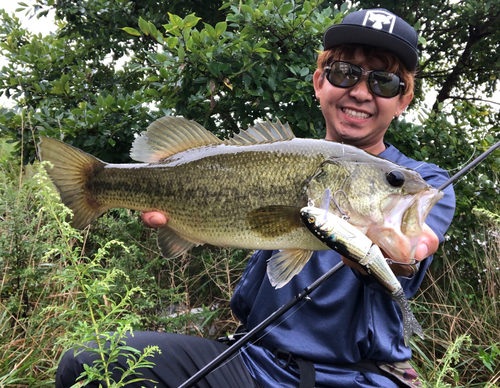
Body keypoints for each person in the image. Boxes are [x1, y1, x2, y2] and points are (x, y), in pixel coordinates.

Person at [56, 8, 456, 388]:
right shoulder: (286, 155)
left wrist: (401, 257)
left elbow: (410, 254)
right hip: (252, 362)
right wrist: (196, 224)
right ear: (320, 82)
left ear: (404, 99)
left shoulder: (422, 182)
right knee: (90, 361)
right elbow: (252, 232)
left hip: (359, 376)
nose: (361, 92)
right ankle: (95, 186)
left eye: (384, 81)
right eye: (345, 73)